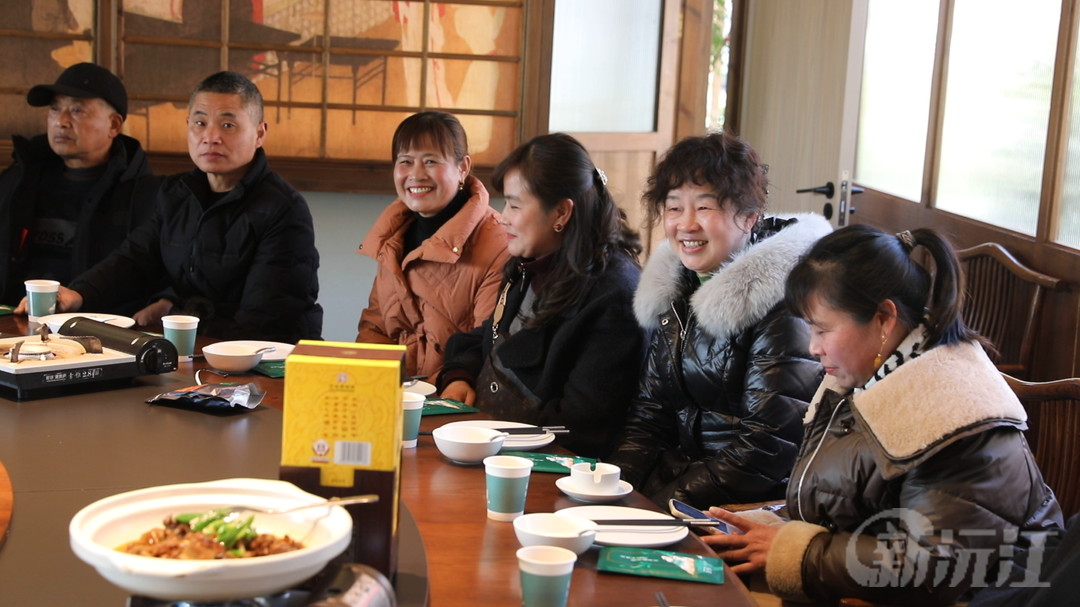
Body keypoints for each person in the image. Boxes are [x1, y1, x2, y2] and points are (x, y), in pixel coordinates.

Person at [703, 225, 1063, 606]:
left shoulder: (957, 413)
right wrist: (772, 527)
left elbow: (932, 569)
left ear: (884, 319)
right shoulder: (872, 373)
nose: (812, 347)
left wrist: (798, 551)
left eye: (822, 329)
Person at [606, 132, 829, 509]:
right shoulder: (677, 287)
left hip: (751, 505)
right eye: (674, 208)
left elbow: (767, 446)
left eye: (705, 208)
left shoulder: (784, 301)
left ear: (749, 217)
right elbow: (649, 415)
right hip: (686, 484)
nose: (685, 225)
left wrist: (659, 508)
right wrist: (613, 491)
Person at [25, 71, 323, 342]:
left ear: (259, 133)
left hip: (262, 359)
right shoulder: (176, 193)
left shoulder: (283, 208)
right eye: (200, 123)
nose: (210, 137)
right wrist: (78, 293)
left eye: (228, 124)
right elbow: (135, 259)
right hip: (194, 348)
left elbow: (265, 319)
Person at [437, 133, 645, 458]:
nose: (502, 215)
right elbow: (492, 340)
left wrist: (489, 436)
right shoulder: (528, 263)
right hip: (495, 444)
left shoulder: (614, 292)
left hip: (552, 466)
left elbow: (583, 424)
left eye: (515, 205)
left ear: (561, 213)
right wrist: (460, 375)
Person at [357, 111, 508, 378]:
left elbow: (486, 343)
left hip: (457, 396)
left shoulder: (498, 242)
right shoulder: (393, 236)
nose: (415, 174)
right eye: (405, 161)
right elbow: (375, 329)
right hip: (394, 396)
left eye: (430, 161)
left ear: (463, 167)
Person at [0, 62, 161, 307]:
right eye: (55, 109)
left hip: (96, 326)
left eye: (76, 110)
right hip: (14, 319)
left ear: (114, 125)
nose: (61, 121)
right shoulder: (21, 179)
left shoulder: (147, 195)